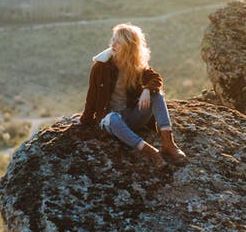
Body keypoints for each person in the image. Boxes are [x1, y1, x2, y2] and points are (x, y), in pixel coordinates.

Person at [79, 23, 186, 169]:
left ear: (129, 46)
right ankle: (151, 152)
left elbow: (156, 79)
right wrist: (85, 121)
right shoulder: (101, 66)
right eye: (113, 40)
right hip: (112, 121)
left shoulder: (137, 64)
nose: (113, 45)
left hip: (133, 116)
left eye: (118, 42)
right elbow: (91, 97)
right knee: (113, 118)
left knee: (157, 94)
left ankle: (168, 143)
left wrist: (147, 90)